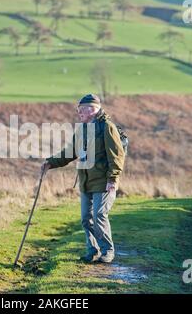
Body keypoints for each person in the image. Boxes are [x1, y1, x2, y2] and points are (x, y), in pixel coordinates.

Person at [41, 93, 125, 263]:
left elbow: (116, 155)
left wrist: (112, 179)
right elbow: (70, 152)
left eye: (81, 110)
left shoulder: (107, 126)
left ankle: (107, 251)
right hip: (86, 182)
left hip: (104, 181)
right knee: (86, 219)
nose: (78, 113)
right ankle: (92, 250)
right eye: (78, 110)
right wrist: (50, 162)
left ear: (92, 109)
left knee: (99, 215)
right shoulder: (81, 130)